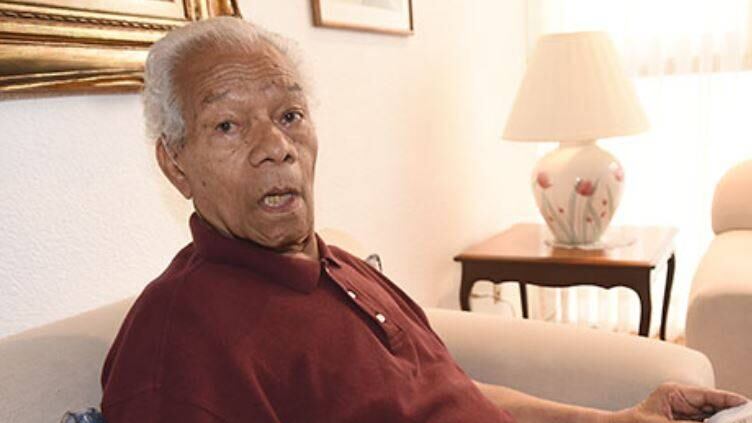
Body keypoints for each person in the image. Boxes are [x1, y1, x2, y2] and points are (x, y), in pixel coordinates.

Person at [100, 16, 747, 423]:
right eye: (227, 125)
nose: (276, 146)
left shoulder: (337, 266)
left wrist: (618, 420)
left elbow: (445, 392)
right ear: (175, 163)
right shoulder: (176, 346)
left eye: (290, 115)